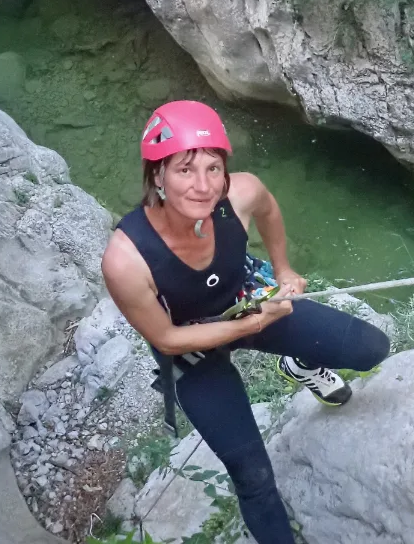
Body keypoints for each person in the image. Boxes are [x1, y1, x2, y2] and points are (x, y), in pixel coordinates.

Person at [101, 100, 390, 543]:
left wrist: (285, 269)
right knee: (252, 476)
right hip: (196, 351)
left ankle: (301, 366)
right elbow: (167, 337)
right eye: (184, 170)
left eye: (213, 169)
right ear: (157, 175)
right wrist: (250, 326)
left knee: (372, 349)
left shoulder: (241, 194)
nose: (203, 186)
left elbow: (269, 210)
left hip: (249, 301)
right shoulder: (126, 260)